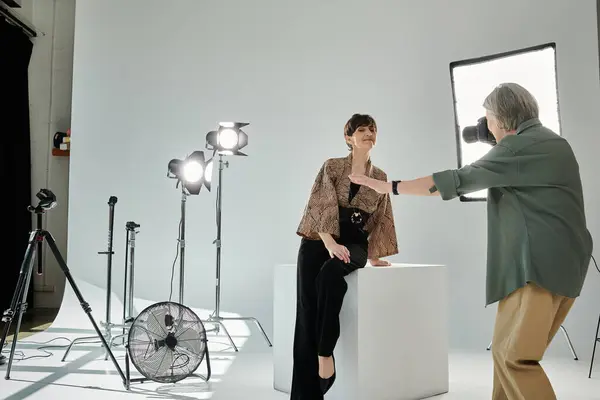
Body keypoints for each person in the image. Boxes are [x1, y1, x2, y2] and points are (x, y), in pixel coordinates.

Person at [349, 83, 593, 400]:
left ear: (503, 121)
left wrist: (388, 187)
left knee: (516, 359)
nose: (486, 125)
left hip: (536, 269)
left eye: (488, 118)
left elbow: (456, 181)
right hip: (562, 268)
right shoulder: (554, 143)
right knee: (504, 357)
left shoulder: (517, 148)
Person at [291, 113, 399, 399]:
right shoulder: (333, 166)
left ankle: (325, 354)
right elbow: (319, 203)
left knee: (331, 274)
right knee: (307, 312)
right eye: (361, 129)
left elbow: (382, 216)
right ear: (348, 138)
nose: (368, 133)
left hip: (354, 242)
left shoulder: (380, 177)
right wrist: (328, 242)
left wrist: (375, 255)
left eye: (372, 129)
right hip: (319, 240)